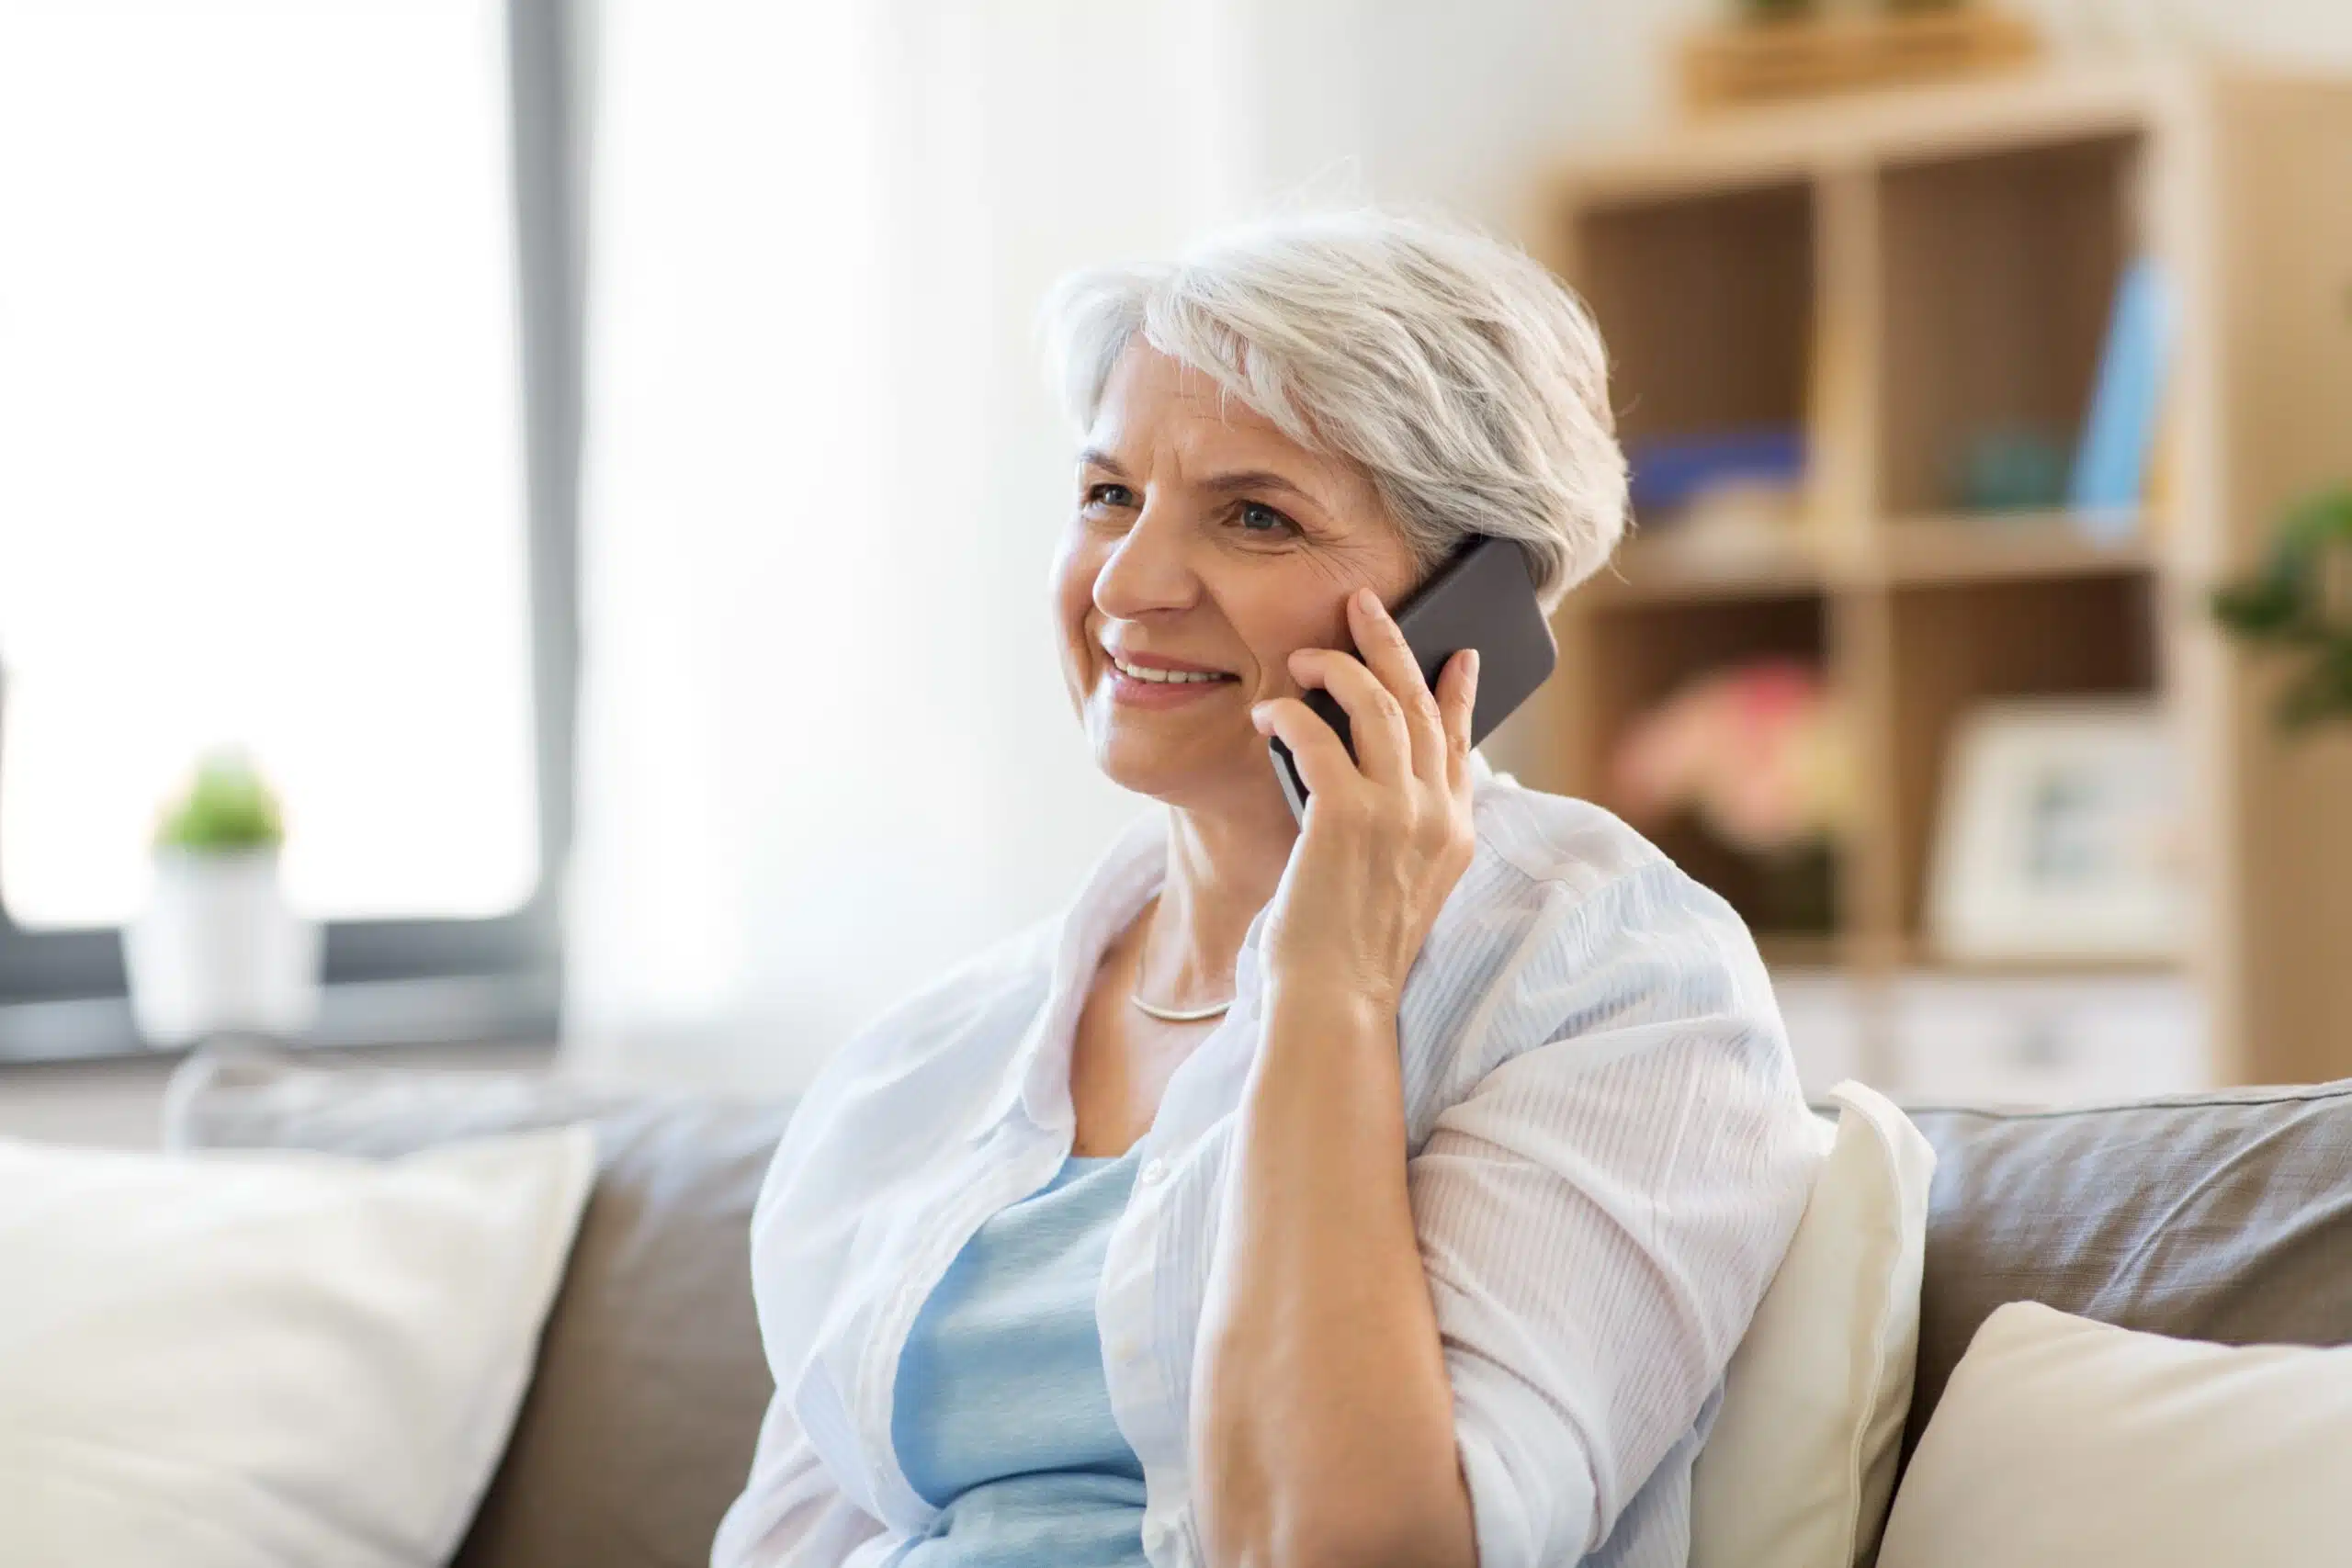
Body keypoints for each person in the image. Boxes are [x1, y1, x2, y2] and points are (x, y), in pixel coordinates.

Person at [712, 209, 1824, 1568]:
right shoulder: (932, 1058)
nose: (1127, 582)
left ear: (1471, 599)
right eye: (1108, 493)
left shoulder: (1610, 979)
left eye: (1253, 516)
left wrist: (1330, 985)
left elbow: (1358, 1549)